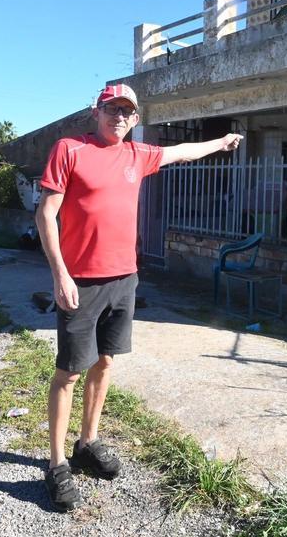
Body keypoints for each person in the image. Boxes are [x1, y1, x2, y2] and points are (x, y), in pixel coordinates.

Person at [36, 83, 242, 511]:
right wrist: (61, 274)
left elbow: (182, 151)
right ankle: (56, 464)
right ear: (97, 111)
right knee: (69, 372)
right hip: (81, 281)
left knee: (106, 361)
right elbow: (46, 214)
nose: (119, 117)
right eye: (112, 109)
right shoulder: (69, 149)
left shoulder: (137, 155)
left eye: (127, 112)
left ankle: (87, 442)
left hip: (124, 278)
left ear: (135, 119)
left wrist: (221, 142)